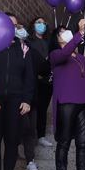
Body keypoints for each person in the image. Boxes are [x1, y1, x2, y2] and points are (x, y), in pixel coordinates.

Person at [0, 12, 35, 170]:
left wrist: (26, 99)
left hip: (15, 99)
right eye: (9, 24)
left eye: (15, 25)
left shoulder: (23, 48)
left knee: (12, 140)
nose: (12, 28)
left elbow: (29, 77)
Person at [50, 20, 85, 170]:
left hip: (83, 103)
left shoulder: (81, 58)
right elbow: (65, 53)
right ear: (58, 38)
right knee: (63, 143)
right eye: (63, 31)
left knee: (83, 144)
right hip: (66, 103)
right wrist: (80, 33)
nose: (66, 32)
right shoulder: (56, 54)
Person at [13, 21, 39, 170]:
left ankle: (30, 160)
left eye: (19, 26)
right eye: (15, 27)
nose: (18, 29)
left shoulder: (29, 49)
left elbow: (31, 74)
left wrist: (27, 99)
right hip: (6, 96)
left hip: (25, 97)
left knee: (28, 128)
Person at [28, 16, 53, 148]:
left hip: (47, 80)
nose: (41, 25)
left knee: (43, 109)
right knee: (31, 109)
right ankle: (28, 138)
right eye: (38, 22)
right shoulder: (28, 41)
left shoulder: (49, 42)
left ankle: (41, 136)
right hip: (32, 79)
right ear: (33, 25)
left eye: (44, 23)